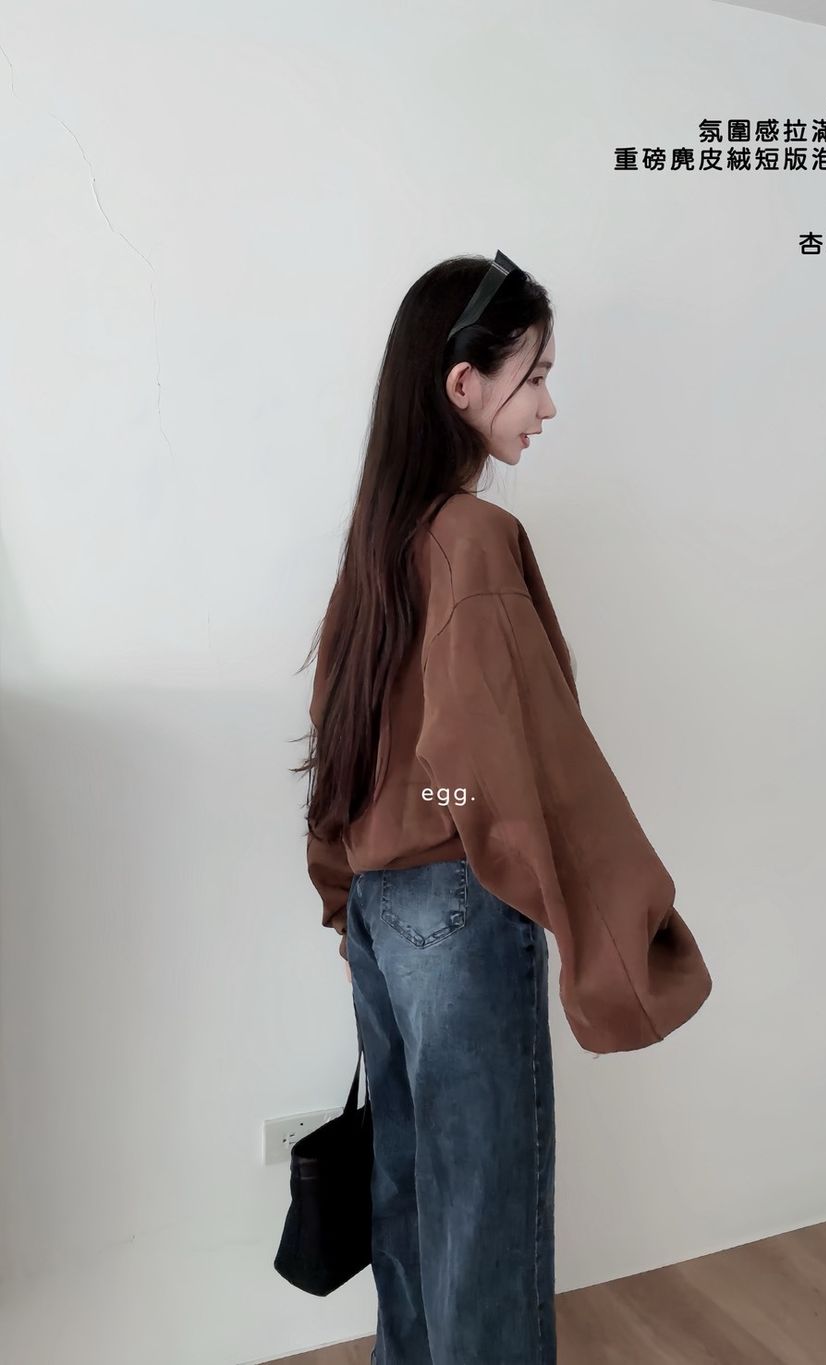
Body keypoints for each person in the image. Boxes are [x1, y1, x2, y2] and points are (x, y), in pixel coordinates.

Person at [295, 252, 713, 1365]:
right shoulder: (473, 540)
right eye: (534, 376)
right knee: (485, 1214)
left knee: (409, 1200)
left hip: (383, 908)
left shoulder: (378, 542)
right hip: (456, 904)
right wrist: (618, 927)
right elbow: (509, 773)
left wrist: (347, 898)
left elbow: (343, 749)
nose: (548, 405)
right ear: (462, 384)